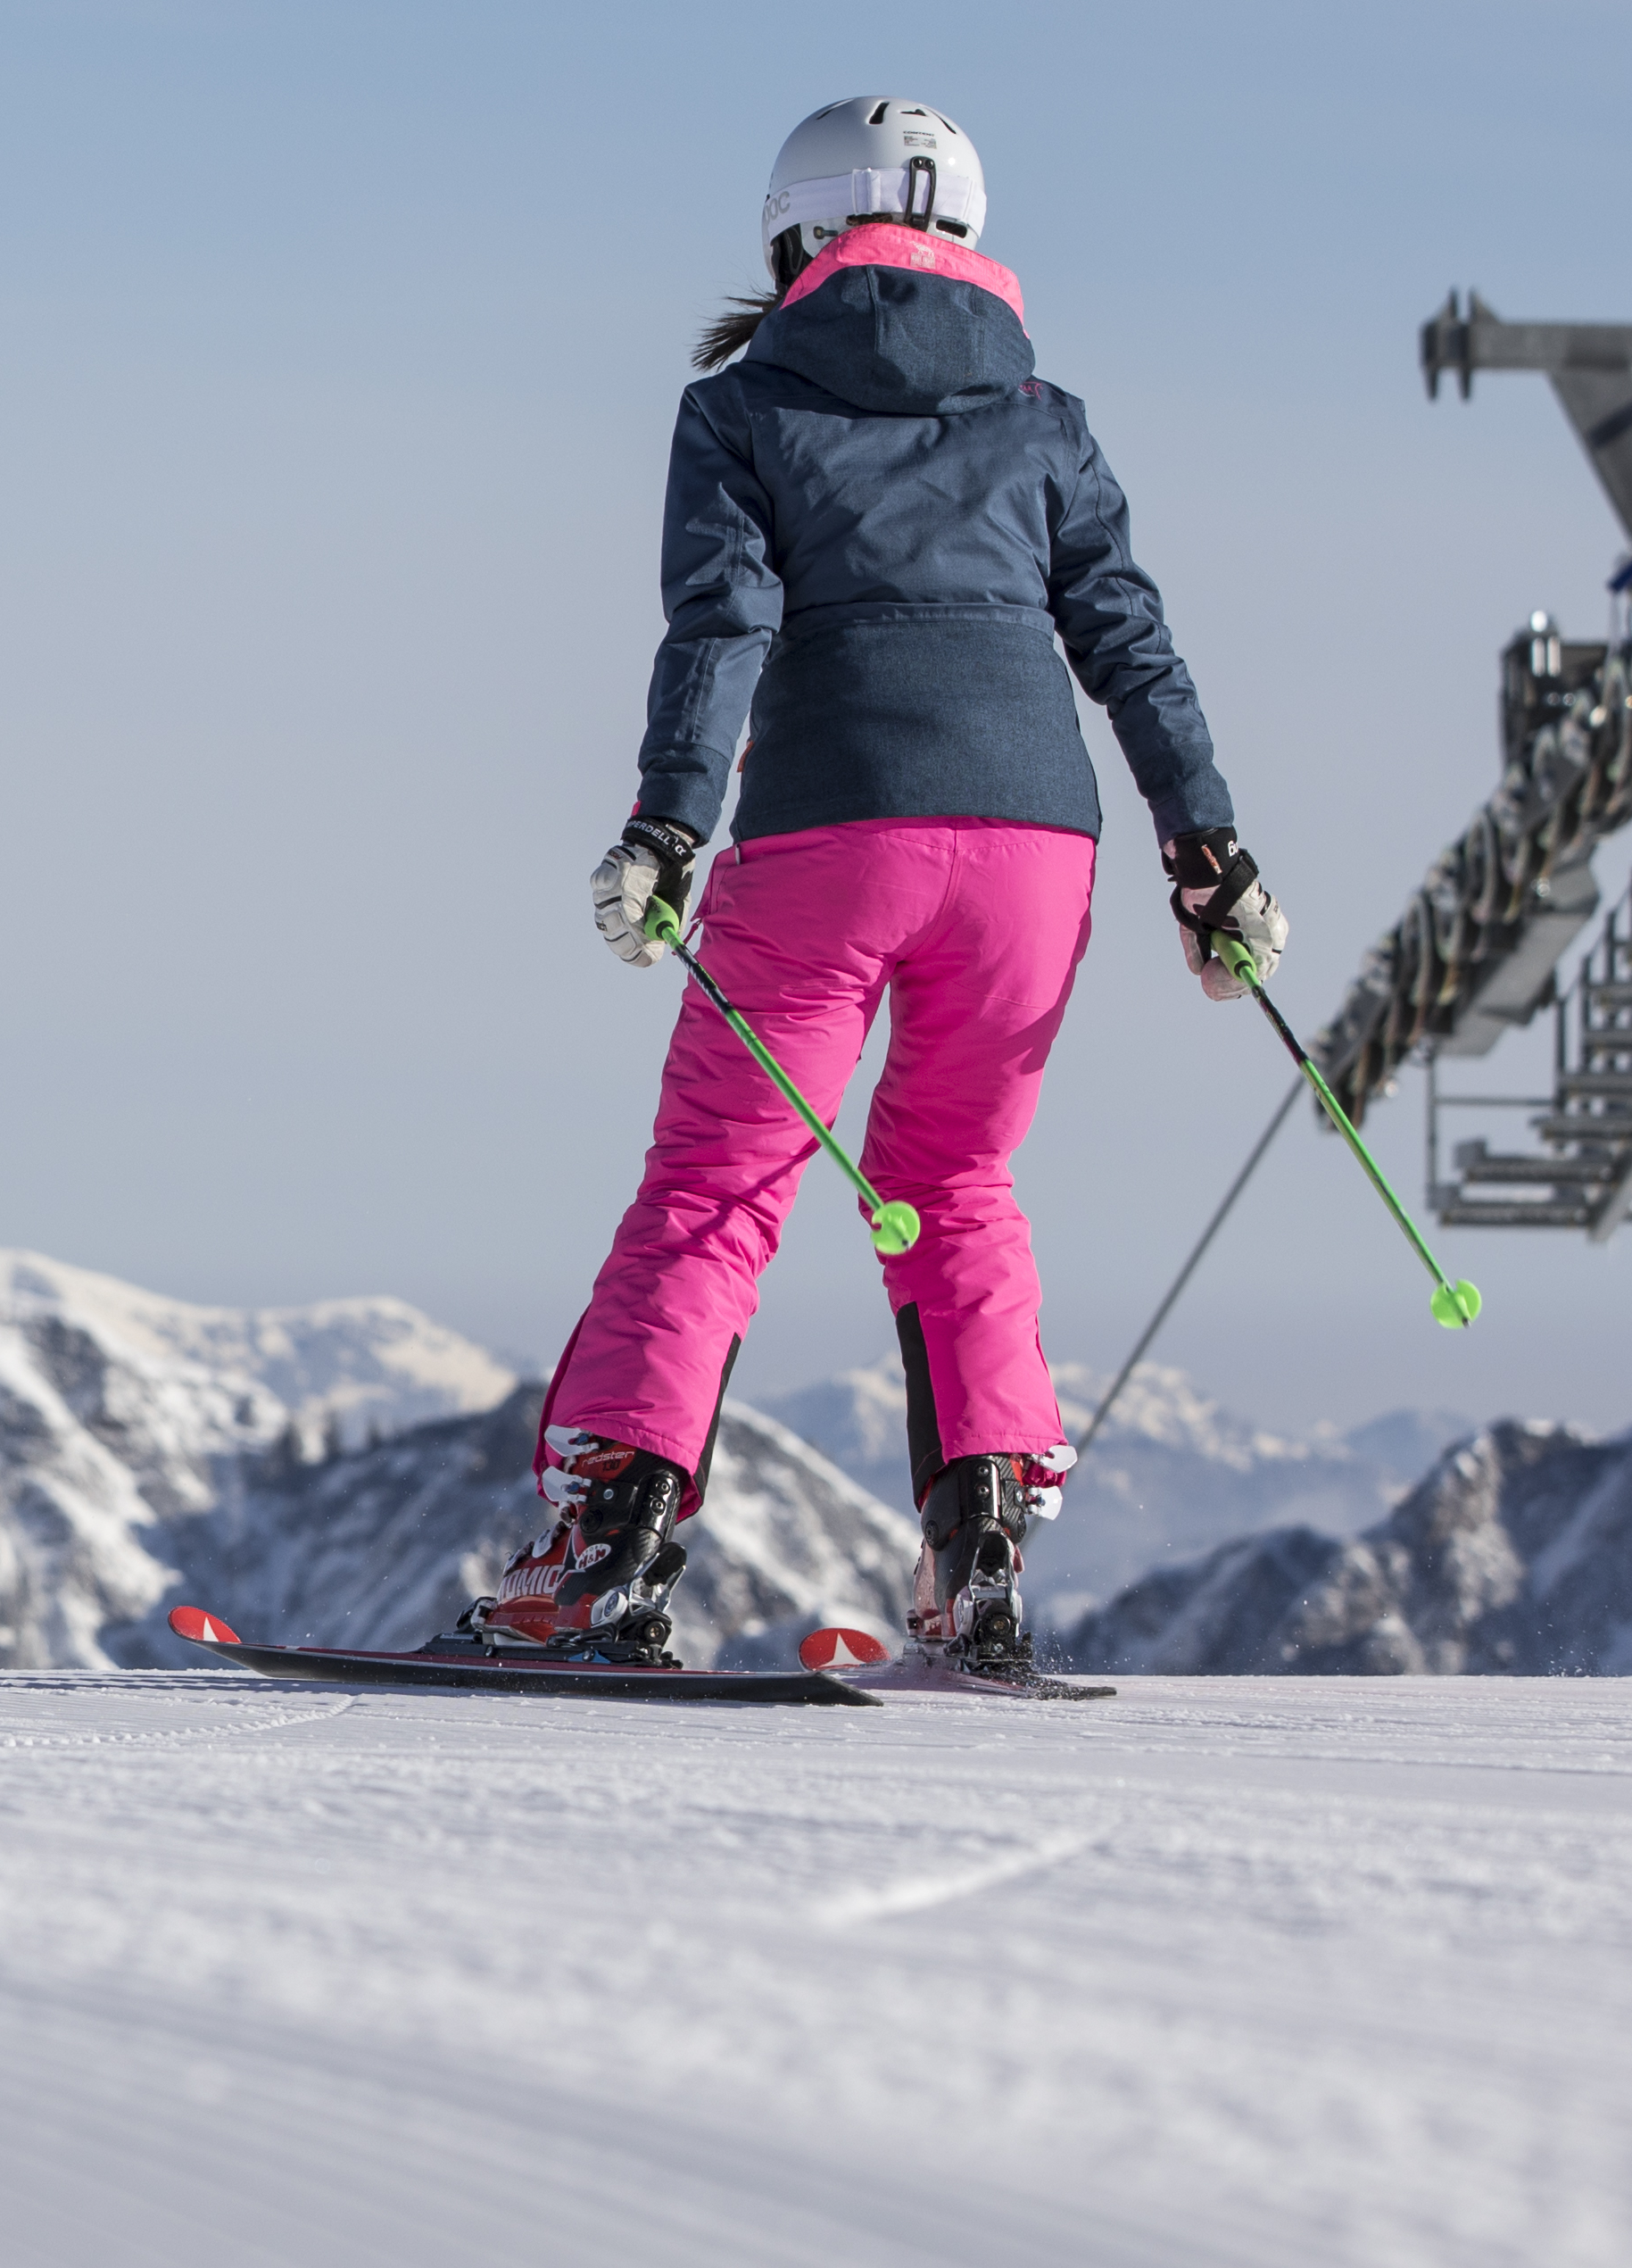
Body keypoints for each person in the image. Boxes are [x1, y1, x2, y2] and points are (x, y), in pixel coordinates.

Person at [501, 97, 1289, 1684]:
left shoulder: (741, 409)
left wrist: (665, 825)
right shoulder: (1046, 416)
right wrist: (1207, 855)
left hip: (828, 831)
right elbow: (1129, 642)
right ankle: (979, 1564)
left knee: (721, 1183)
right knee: (962, 1186)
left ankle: (605, 1566)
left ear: (795, 233)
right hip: (1034, 852)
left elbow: (717, 629)